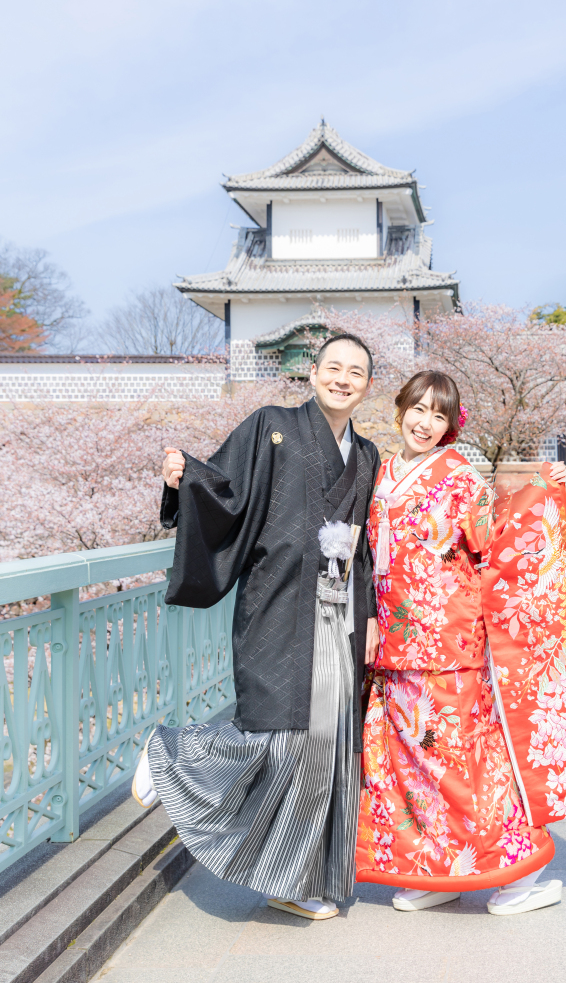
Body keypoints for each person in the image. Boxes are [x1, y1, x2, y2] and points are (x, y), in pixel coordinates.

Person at [355, 371, 566, 915]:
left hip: (449, 641)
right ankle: (441, 869)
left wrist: (541, 493)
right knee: (408, 765)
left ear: (451, 426)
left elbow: (496, 533)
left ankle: (520, 876)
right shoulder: (383, 470)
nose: (425, 423)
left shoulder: (455, 474)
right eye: (418, 409)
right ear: (400, 408)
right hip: (393, 641)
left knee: (464, 763)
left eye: (439, 415)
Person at [132, 333, 382, 921]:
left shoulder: (367, 454)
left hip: (340, 614)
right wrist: (183, 479)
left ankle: (296, 880)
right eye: (334, 368)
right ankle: (173, 750)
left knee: (325, 745)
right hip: (278, 602)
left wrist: (370, 619)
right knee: (273, 730)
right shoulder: (272, 425)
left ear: (368, 386)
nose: (344, 379)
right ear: (314, 373)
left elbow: (369, 545)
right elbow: (223, 491)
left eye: (357, 373)